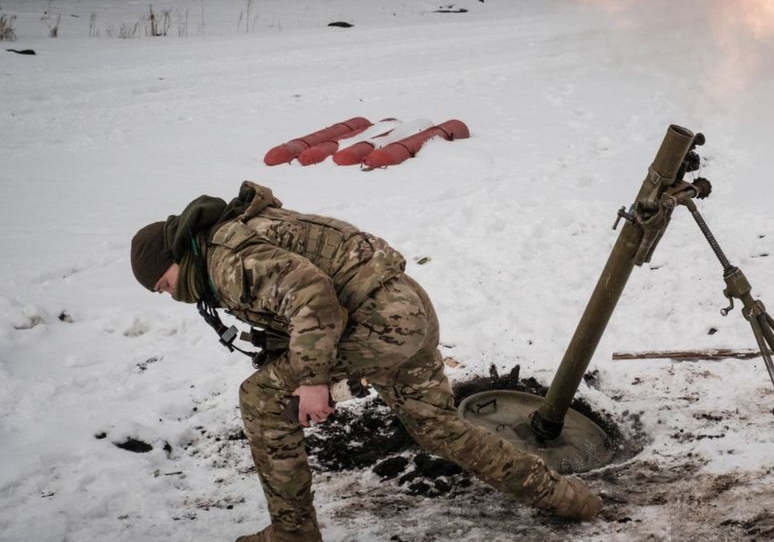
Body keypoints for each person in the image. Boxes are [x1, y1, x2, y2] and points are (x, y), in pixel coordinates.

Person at [130, 181, 601, 542]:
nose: (167, 294)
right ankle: (570, 500)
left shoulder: (226, 262)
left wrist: (312, 380)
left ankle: (293, 534)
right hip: (405, 309)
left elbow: (310, 295)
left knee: (259, 398)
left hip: (380, 321)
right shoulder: (233, 239)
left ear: (174, 256)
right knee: (439, 429)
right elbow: (290, 307)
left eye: (162, 284)